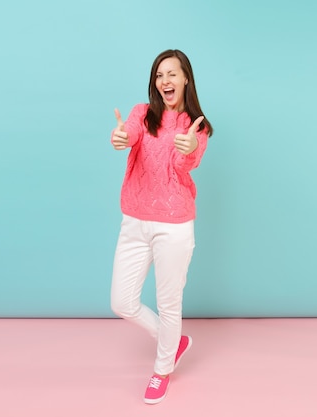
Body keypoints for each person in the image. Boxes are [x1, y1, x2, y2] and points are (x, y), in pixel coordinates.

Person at [109, 49, 213, 405]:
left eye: (172, 74)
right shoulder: (143, 114)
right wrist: (123, 137)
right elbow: (132, 134)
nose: (165, 81)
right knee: (122, 301)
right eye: (159, 75)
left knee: (170, 304)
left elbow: (188, 164)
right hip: (135, 219)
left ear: (186, 79)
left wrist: (187, 148)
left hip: (174, 226)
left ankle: (162, 369)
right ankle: (174, 341)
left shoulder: (198, 126)